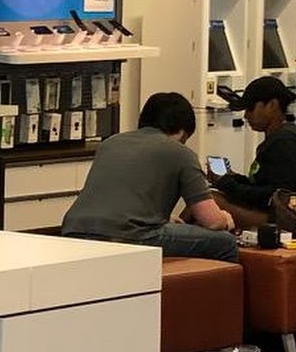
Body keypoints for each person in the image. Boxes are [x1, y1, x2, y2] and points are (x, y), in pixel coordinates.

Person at [62, 91, 239, 262]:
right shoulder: (181, 153)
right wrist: (225, 219)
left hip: (74, 230)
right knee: (226, 243)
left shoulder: (111, 143)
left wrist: (165, 220)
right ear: (181, 132)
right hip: (129, 235)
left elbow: (119, 198)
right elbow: (212, 221)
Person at [211, 77, 296, 223]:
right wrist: (234, 179)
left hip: (293, 218)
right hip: (285, 212)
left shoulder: (285, 141)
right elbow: (265, 185)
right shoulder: (281, 137)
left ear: (271, 105)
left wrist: (228, 184)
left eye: (250, 109)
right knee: (209, 199)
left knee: (210, 200)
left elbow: (276, 195)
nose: (246, 116)